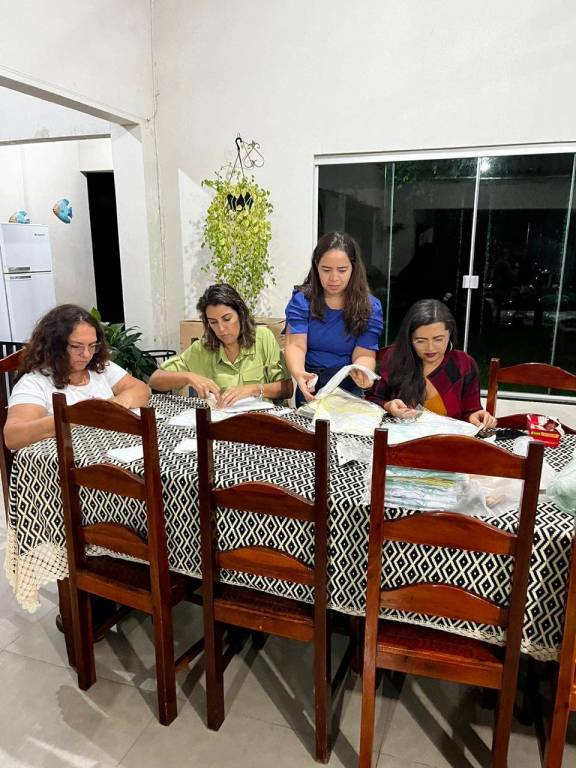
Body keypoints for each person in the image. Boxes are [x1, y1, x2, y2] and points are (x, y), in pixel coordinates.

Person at [5, 304, 150, 450]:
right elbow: (13, 437)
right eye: (76, 346)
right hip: (66, 460)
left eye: (92, 345)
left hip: (113, 450)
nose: (86, 354)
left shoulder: (100, 368)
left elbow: (141, 389)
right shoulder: (34, 382)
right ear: (54, 346)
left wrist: (114, 405)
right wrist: (77, 416)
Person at [149, 283, 292, 407]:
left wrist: (253, 389)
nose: (221, 329)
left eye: (227, 319)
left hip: (262, 421)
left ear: (240, 314)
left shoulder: (263, 337)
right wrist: (189, 377)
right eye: (213, 322)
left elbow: (287, 389)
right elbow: (155, 380)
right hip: (222, 422)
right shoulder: (202, 348)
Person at [284, 232, 383, 407]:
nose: (334, 278)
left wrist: (362, 372)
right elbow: (296, 345)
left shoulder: (370, 307)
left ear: (353, 268)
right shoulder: (302, 301)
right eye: (326, 270)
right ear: (316, 266)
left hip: (348, 386)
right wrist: (298, 373)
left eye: (342, 270)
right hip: (310, 382)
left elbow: (364, 353)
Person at [368, 298, 497, 427]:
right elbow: (372, 401)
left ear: (450, 334)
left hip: (448, 438)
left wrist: (476, 416)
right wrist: (388, 406)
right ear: (409, 339)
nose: (430, 348)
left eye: (438, 339)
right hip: (400, 437)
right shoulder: (394, 358)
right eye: (420, 341)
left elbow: (471, 411)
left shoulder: (463, 364)